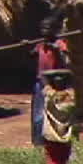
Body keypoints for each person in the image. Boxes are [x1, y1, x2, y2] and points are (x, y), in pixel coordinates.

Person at [40, 68, 77, 164]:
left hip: (51, 138)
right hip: (66, 138)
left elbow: (43, 80)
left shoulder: (50, 96)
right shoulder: (72, 98)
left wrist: (48, 78)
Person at [31, 14, 71, 146]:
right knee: (38, 114)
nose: (44, 32)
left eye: (47, 29)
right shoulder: (40, 45)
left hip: (56, 84)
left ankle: (57, 140)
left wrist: (56, 51)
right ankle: (38, 142)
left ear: (55, 30)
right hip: (41, 83)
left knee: (56, 112)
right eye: (42, 29)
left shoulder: (60, 45)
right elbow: (32, 56)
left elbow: (66, 63)